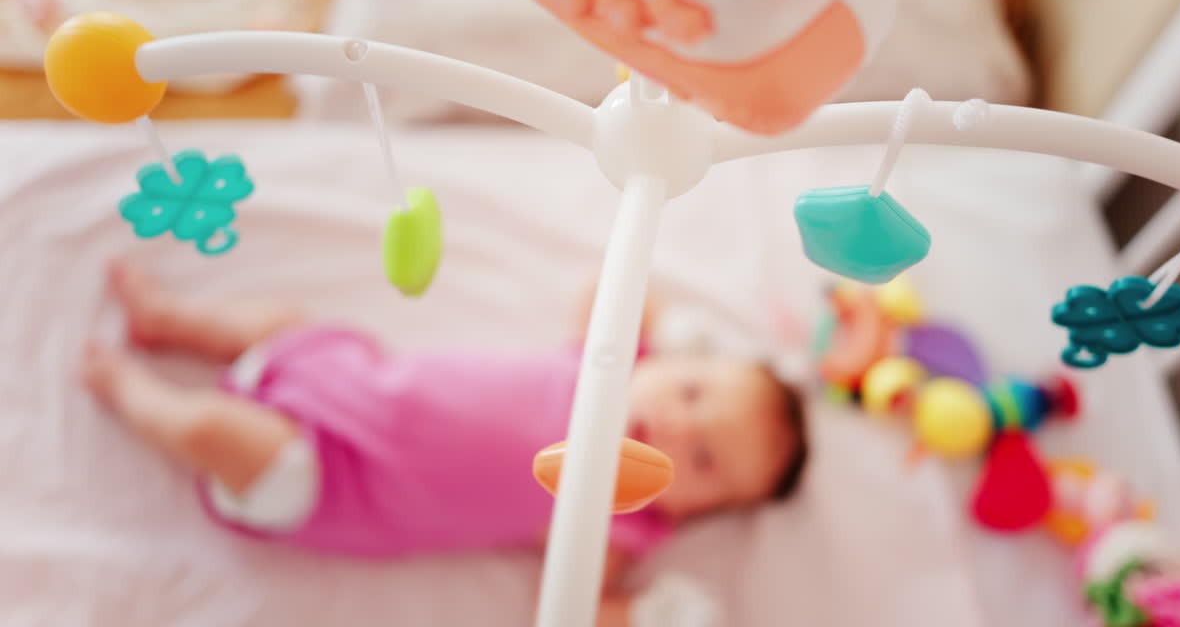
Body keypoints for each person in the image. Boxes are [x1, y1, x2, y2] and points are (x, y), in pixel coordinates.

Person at [82, 259, 808, 625]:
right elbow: (610, 284)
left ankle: (129, 391)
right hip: (341, 376)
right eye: (690, 391)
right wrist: (679, 331)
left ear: (686, 510)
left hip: (335, 480)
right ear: (664, 363)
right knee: (278, 325)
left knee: (212, 430)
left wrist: (648, 613)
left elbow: (575, 604)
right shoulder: (608, 363)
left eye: (704, 460)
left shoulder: (612, 516)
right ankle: (166, 320)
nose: (680, 428)